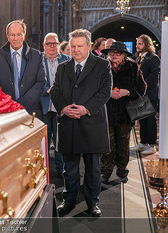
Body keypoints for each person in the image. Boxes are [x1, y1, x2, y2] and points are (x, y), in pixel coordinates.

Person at [50, 29, 112, 217]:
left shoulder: (102, 65)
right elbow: (55, 91)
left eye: (80, 46)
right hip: (69, 122)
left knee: (93, 168)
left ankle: (93, 203)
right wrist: (63, 108)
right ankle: (68, 201)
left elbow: (105, 92)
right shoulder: (62, 67)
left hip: (92, 122)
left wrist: (86, 109)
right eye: (73, 46)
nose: (76, 50)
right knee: (70, 169)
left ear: (88, 46)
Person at [100, 42, 147, 184]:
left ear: (124, 55)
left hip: (125, 112)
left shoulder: (132, 67)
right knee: (107, 144)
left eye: (117, 53)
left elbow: (142, 87)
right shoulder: (102, 66)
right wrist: (109, 93)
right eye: (111, 52)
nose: (113, 55)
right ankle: (105, 172)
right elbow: (94, 87)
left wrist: (127, 92)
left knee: (123, 144)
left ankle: (122, 170)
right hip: (107, 111)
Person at [0, 20, 46, 120]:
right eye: (12, 35)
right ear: (7, 36)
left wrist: (21, 104)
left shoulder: (37, 56)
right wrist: (8, 104)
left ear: (24, 35)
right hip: (4, 113)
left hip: (31, 111)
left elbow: (41, 82)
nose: (16, 38)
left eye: (19, 34)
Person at [41, 33, 70, 178]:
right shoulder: (37, 61)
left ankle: (61, 170)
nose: (52, 46)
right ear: (44, 45)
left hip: (61, 108)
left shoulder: (67, 60)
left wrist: (59, 90)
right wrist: (46, 89)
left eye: (54, 43)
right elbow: (31, 81)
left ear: (59, 44)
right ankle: (43, 170)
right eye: (48, 44)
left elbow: (72, 82)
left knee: (60, 142)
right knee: (43, 142)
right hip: (44, 106)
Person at [130, 34, 160, 155]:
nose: (137, 46)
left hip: (150, 93)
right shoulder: (138, 59)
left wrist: (142, 85)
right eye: (137, 43)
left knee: (150, 120)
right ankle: (143, 143)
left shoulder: (153, 58)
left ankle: (151, 144)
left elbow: (153, 76)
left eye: (140, 44)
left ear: (146, 45)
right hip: (140, 94)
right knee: (141, 119)